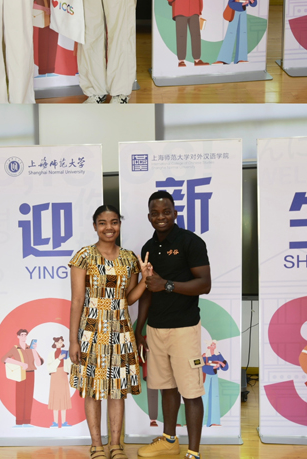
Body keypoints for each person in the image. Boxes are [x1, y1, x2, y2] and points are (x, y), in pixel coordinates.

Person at [69, 205, 150, 459]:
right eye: (102, 223)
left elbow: (129, 298)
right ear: (95, 226)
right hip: (91, 331)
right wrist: (73, 341)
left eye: (114, 222)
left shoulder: (129, 258)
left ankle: (115, 445)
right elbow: (77, 300)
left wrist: (145, 279)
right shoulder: (84, 256)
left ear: (119, 225)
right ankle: (97, 445)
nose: (109, 227)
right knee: (93, 390)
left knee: (117, 389)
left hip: (121, 332)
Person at [135, 190, 212, 459]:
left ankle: (194, 452)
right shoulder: (147, 247)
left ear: (175, 213)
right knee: (166, 387)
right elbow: (148, 291)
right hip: (156, 329)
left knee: (190, 391)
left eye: (166, 212)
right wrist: (139, 328)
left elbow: (204, 284)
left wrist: (166, 285)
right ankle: (169, 440)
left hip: (184, 328)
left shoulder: (191, 242)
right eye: (155, 213)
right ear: (149, 217)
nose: (161, 217)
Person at [166, 0, 208, 69]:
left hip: (194, 11)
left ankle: (197, 59)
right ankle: (181, 61)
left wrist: (200, 10)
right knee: (181, 35)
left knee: (196, 35)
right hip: (180, 11)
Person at [2, 329, 43, 427]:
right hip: (20, 373)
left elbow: (39, 363)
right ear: (18, 336)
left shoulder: (31, 348)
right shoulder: (15, 348)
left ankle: (27, 421)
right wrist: (20, 363)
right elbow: (4, 359)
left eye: (25, 335)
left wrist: (34, 350)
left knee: (29, 397)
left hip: (31, 373)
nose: (24, 337)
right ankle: (19, 421)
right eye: (22, 335)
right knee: (20, 397)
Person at [215, 0, 257, 64]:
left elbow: (254, 3)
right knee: (231, 32)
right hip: (235, 12)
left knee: (243, 33)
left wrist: (249, 0)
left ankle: (241, 58)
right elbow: (230, 3)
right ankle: (224, 58)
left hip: (243, 12)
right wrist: (241, 4)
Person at [47, 335, 72, 427]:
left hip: (63, 375)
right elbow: (49, 367)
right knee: (55, 399)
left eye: (61, 342)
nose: (59, 344)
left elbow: (69, 366)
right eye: (58, 342)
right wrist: (58, 359)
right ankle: (55, 422)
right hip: (55, 375)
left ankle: (64, 422)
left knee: (64, 398)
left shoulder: (66, 353)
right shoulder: (51, 354)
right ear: (55, 343)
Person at [202, 341, 228, 427]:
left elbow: (226, 367)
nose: (214, 346)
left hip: (214, 376)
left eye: (214, 344)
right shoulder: (205, 355)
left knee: (215, 397)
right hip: (206, 376)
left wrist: (220, 364)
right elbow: (198, 366)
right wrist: (210, 365)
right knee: (203, 397)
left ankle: (214, 421)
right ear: (208, 346)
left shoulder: (218, 355)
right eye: (212, 344)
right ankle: (200, 421)